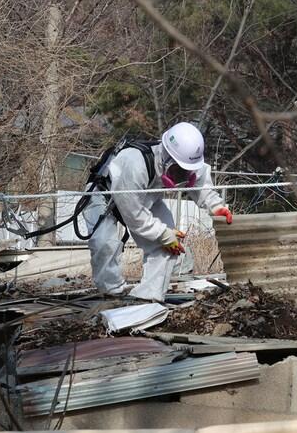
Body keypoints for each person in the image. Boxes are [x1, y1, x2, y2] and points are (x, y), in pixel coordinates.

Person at [84, 122, 233, 301]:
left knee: (170, 246)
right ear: (166, 157)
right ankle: (111, 292)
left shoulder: (188, 160)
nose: (184, 176)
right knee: (104, 243)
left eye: (187, 171)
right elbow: (133, 214)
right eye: (179, 170)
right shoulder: (134, 163)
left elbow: (199, 183)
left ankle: (149, 297)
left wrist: (216, 207)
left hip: (148, 196)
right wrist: (162, 233)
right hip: (105, 195)